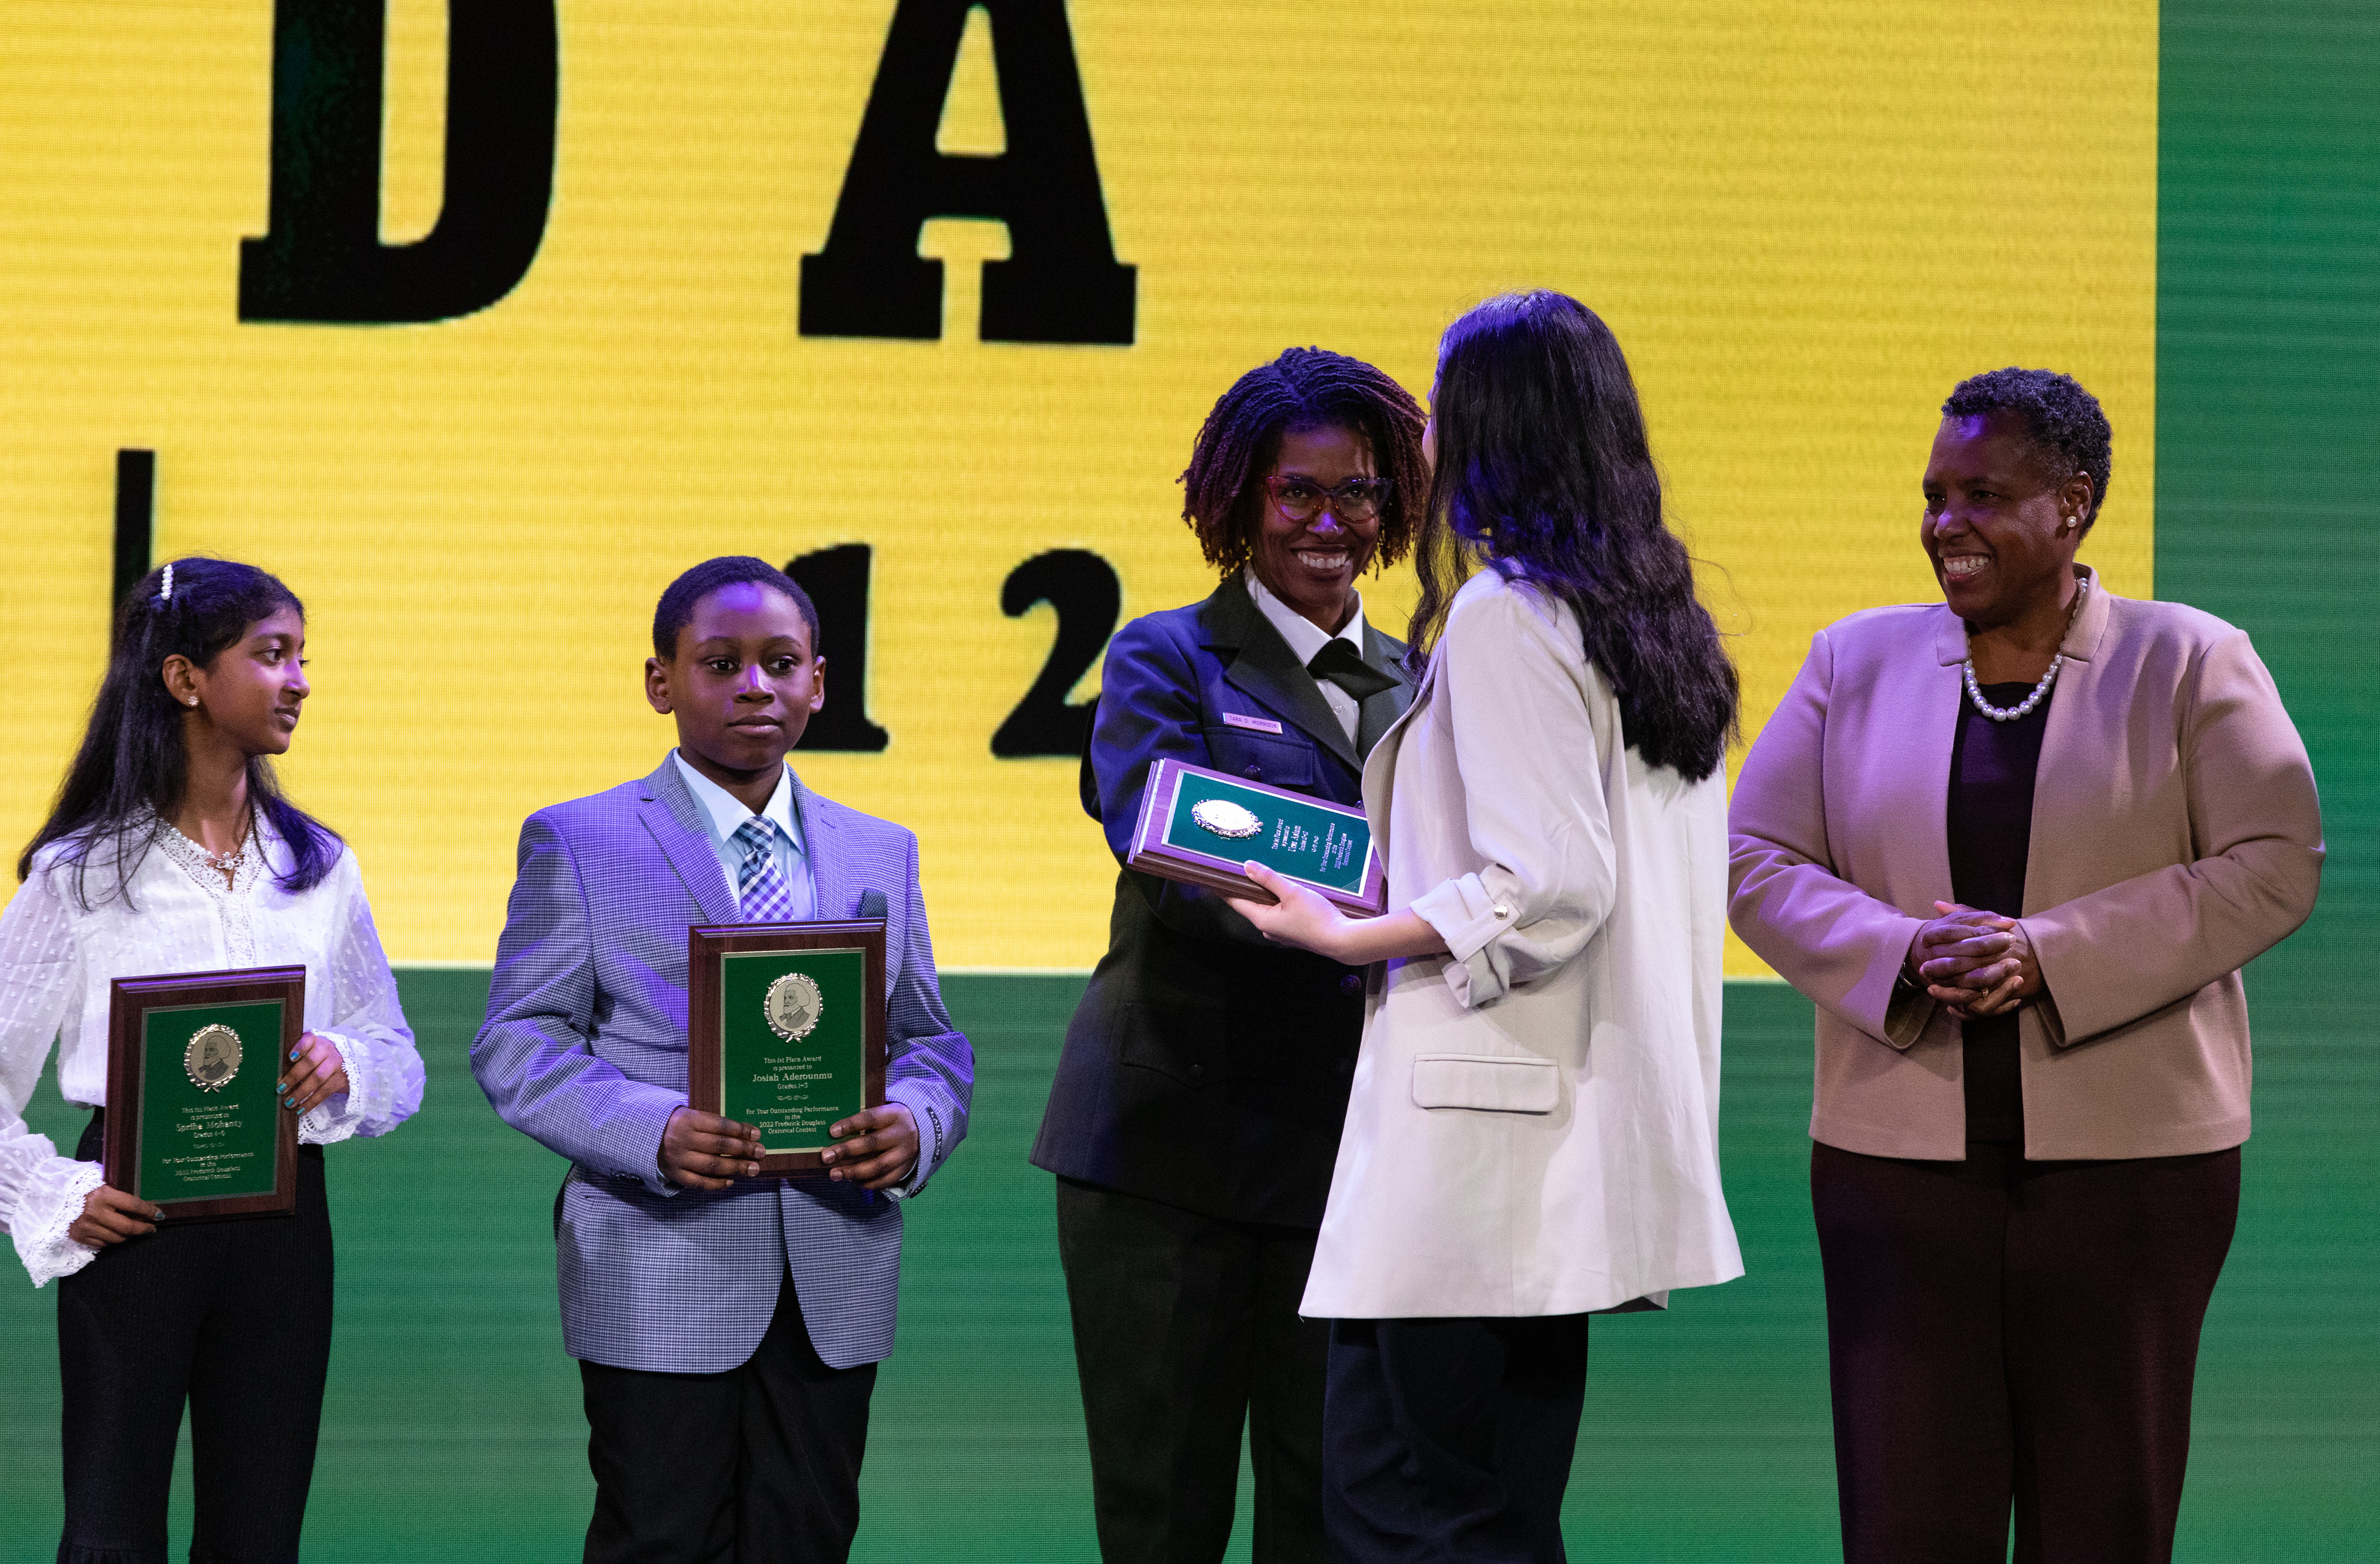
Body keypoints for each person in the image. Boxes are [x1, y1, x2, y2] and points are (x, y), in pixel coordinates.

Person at [1726, 368, 2325, 1563]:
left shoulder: (2193, 660)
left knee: (2104, 1519)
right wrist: (1900, 949)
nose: (1946, 522)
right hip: (1898, 1179)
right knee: (1907, 1524)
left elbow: (2276, 857)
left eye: (1982, 494)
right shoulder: (1854, 661)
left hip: (2135, 1181)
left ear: (2074, 503)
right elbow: (1752, 857)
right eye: (1935, 494)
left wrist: (2049, 955)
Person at [1238, 293, 1746, 1563]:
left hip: (1477, 1160)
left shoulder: (1510, 611)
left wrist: (1343, 934)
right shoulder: (1658, 624)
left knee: (1405, 1509)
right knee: (1499, 1515)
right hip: (1558, 1147)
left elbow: (1555, 882)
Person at [472, 556, 973, 1564]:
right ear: (662, 681)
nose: (756, 685)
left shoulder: (884, 850)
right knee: (659, 1539)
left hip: (833, 1267)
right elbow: (517, 1040)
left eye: (781, 663)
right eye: (722, 663)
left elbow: (931, 1043)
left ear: (819, 683)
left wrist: (915, 1125)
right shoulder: (580, 839)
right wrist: (650, 1130)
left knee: (810, 1537)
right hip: (661, 1261)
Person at [1029, 346, 1429, 1561]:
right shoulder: (1167, 655)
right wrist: (1361, 910)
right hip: (1166, 1160)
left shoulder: (1427, 681)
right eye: (1294, 491)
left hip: (1345, 1161)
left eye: (1355, 492)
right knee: (1165, 1519)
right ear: (1239, 499)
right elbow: (1164, 845)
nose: (1327, 521)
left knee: (1328, 1516)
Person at [0, 557, 424, 1563]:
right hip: (130, 1222)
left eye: (302, 658)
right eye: (272, 655)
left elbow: (397, 1052)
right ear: (186, 676)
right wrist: (56, 1192)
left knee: (259, 1534)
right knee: (109, 1535)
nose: (300, 681)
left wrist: (345, 1067)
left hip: (281, 1222)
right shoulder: (81, 874)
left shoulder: (317, 866)